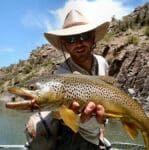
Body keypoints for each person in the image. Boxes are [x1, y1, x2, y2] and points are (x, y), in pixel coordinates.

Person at [25, 9, 110, 150]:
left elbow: (105, 101)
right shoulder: (61, 75)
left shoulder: (102, 62)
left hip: (96, 134)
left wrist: (101, 131)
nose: (79, 43)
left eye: (84, 36)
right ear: (64, 44)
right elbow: (68, 116)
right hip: (74, 135)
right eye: (71, 39)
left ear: (93, 37)